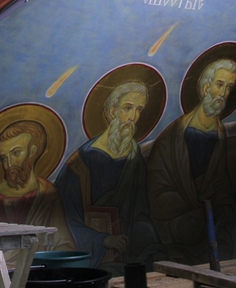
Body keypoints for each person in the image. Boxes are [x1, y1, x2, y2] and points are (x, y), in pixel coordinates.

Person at [54, 82, 164, 275]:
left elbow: (140, 210)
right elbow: (65, 220)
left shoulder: (134, 156)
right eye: (127, 108)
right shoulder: (81, 163)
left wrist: (142, 237)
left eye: (139, 110)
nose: (133, 117)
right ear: (113, 112)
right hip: (95, 252)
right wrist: (103, 240)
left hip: (127, 249)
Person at [147, 59, 236, 264]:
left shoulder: (220, 134)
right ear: (206, 88)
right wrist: (195, 204)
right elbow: (158, 190)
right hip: (177, 222)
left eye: (229, 87)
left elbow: (222, 182)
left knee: (224, 248)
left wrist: (223, 205)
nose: (223, 93)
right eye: (220, 84)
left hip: (208, 220)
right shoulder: (172, 137)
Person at [0, 121, 75, 287]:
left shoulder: (48, 194)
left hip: (38, 280)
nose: (10, 164)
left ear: (32, 152)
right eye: (4, 158)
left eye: (16, 153)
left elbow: (63, 245)